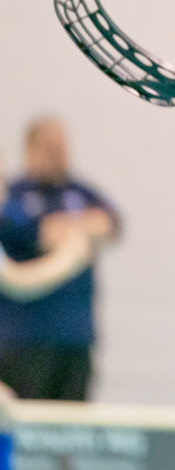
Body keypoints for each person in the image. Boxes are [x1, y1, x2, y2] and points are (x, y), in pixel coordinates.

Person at [0, 117, 120, 402]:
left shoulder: (80, 190)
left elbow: (111, 223)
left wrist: (68, 246)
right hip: (24, 341)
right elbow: (19, 278)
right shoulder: (17, 197)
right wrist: (73, 254)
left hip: (74, 340)